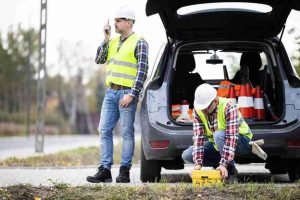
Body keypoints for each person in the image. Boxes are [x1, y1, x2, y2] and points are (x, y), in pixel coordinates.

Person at [86, 5, 148, 183]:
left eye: (118, 20)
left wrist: (133, 94)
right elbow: (99, 59)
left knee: (127, 133)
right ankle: (105, 170)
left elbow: (142, 71)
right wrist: (105, 39)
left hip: (127, 93)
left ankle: (124, 171)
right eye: (115, 20)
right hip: (111, 92)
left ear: (129, 22)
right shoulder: (112, 41)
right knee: (104, 130)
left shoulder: (140, 42)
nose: (115, 23)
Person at [181, 83, 253, 182]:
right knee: (188, 155)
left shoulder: (228, 107)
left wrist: (224, 164)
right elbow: (198, 138)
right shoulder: (198, 110)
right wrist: (197, 165)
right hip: (218, 144)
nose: (203, 111)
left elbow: (231, 138)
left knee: (218, 135)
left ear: (215, 100)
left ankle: (230, 171)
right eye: (201, 108)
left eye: (206, 107)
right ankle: (219, 166)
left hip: (241, 142)